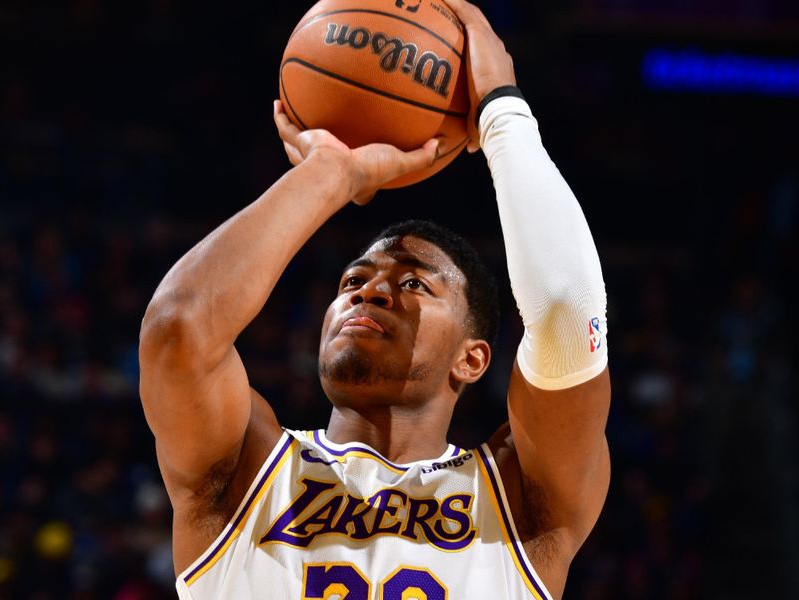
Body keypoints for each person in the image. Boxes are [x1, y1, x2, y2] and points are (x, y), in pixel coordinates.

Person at [139, 1, 611, 598]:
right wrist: (332, 173)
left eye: (414, 282)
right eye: (351, 281)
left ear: (472, 358)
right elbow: (178, 329)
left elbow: (567, 312)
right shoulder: (243, 470)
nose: (372, 289)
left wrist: (503, 115)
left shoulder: (521, 502)